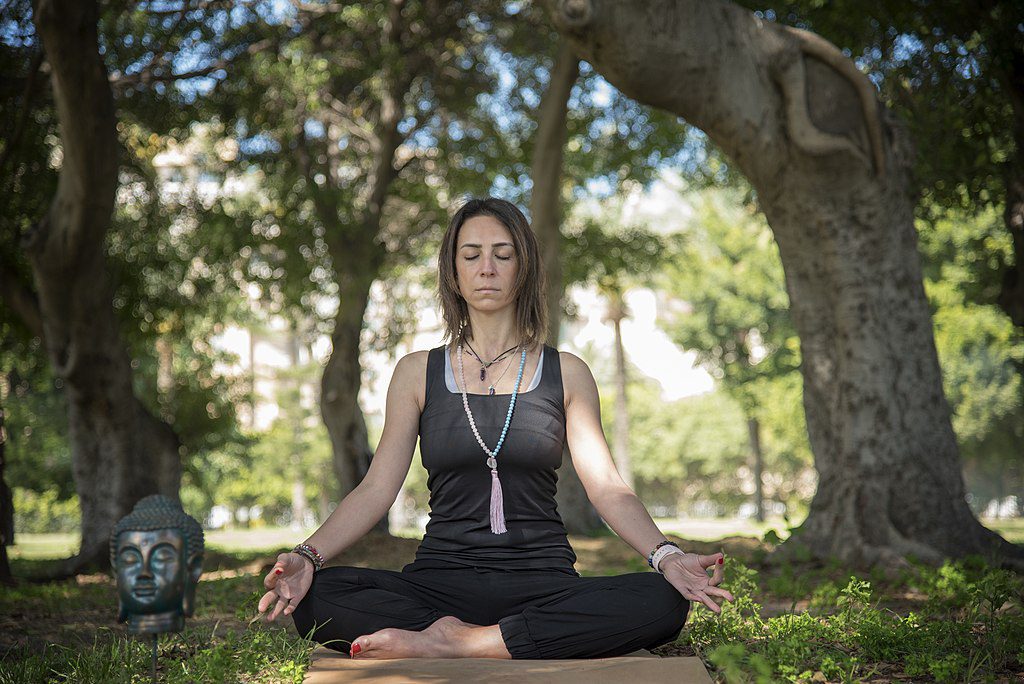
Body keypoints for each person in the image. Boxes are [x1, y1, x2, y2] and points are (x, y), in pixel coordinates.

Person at [257, 197, 734, 660]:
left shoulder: (566, 372)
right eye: (472, 255)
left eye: (502, 255)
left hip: (543, 585)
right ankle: (495, 639)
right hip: (438, 584)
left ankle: (461, 643)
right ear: (454, 272)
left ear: (522, 268)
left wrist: (667, 557)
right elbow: (377, 487)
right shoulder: (415, 372)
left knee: (664, 601)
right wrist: (308, 556)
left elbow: (607, 488)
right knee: (321, 596)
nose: (487, 267)